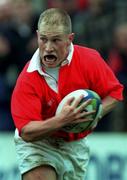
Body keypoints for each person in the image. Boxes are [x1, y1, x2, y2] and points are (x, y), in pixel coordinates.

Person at [11, 8, 123, 180]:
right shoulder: (27, 79)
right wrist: (62, 120)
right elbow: (27, 131)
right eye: (43, 39)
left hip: (74, 145)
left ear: (70, 39)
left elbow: (115, 94)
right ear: (37, 36)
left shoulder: (89, 59)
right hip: (38, 143)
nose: (48, 47)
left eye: (56, 40)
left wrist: (96, 113)